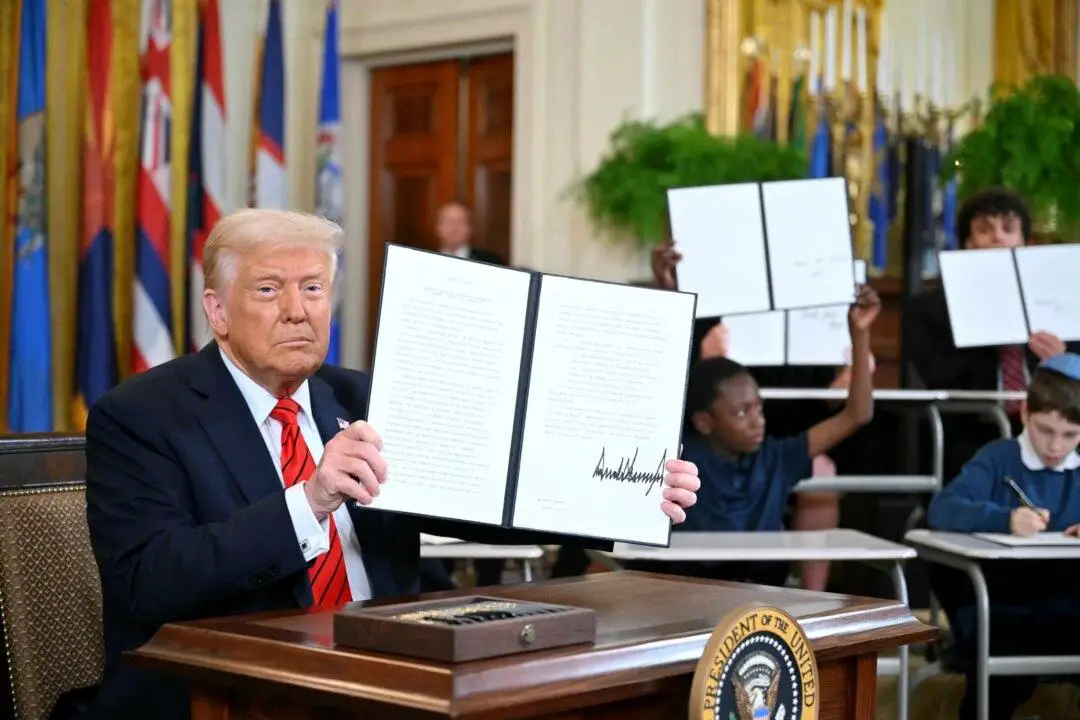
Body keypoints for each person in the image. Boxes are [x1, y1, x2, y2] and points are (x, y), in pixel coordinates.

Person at [84, 208, 701, 720]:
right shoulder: (141, 416)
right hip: (233, 691)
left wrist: (624, 496)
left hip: (394, 677)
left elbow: (486, 498)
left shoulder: (365, 397)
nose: (297, 310)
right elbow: (149, 581)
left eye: (314, 288)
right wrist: (312, 499)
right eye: (269, 289)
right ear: (217, 311)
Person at [628, 284, 879, 586]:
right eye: (742, 413)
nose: (758, 421)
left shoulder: (777, 457)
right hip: (684, 593)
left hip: (759, 596)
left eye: (759, 409)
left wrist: (860, 334)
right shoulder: (683, 462)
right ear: (704, 422)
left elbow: (857, 414)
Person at [926, 353, 1080, 720]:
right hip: (1003, 603)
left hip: (1067, 601)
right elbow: (942, 509)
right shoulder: (998, 459)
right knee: (1002, 678)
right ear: (1025, 415)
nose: (1056, 446)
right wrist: (1005, 519)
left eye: (1070, 435)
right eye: (1045, 430)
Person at [904, 188, 1080, 480]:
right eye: (985, 230)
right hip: (971, 429)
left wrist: (1062, 362)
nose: (998, 238)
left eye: (1008, 229)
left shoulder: (1060, 299)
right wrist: (986, 329)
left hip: (1056, 430)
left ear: (1025, 243)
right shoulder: (931, 308)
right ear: (968, 245)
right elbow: (937, 372)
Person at [435, 200, 505, 265]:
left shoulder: (491, 262)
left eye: (461, 221)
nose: (454, 227)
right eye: (449, 221)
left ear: (470, 228)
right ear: (437, 227)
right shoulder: (426, 262)